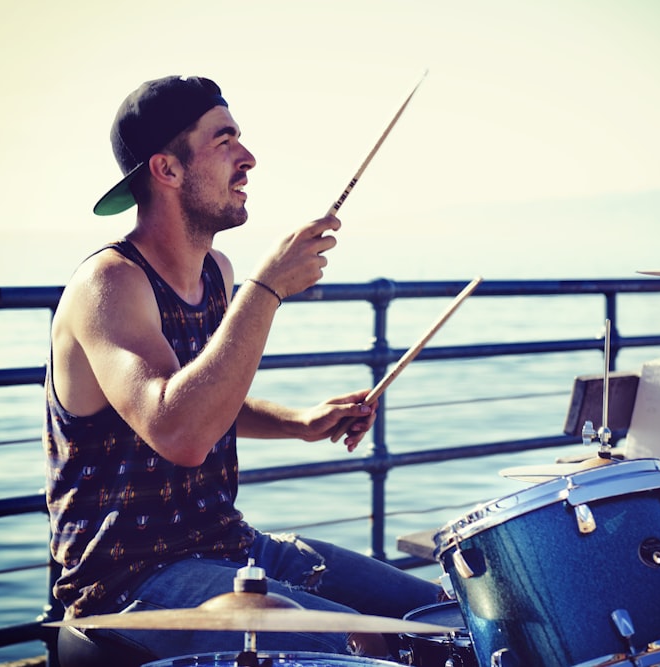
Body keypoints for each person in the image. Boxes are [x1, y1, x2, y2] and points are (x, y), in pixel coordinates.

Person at [43, 75, 441, 662]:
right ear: (167, 170)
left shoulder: (215, 273)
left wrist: (299, 421)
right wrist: (266, 289)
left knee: (430, 617)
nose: (248, 158)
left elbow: (204, 396)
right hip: (128, 583)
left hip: (228, 543)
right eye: (224, 140)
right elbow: (178, 430)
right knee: (360, 640)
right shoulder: (110, 284)